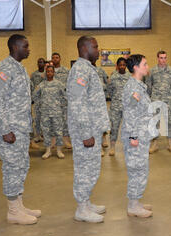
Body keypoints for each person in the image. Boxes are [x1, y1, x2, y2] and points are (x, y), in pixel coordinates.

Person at [0, 34, 41, 225]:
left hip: (20, 129)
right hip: (10, 130)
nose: (29, 49)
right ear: (15, 47)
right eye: (25, 46)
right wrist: (4, 130)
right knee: (12, 167)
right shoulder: (3, 69)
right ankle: (13, 211)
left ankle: (19, 205)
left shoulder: (19, 68)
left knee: (22, 166)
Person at [67, 36, 110, 223]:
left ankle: (86, 202)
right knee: (85, 168)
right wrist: (86, 133)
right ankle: (81, 209)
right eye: (95, 46)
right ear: (84, 48)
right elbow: (77, 104)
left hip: (92, 129)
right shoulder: (80, 71)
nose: (98, 50)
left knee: (91, 168)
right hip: (86, 132)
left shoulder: (88, 69)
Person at [122, 54, 155, 218]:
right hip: (135, 136)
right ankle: (133, 206)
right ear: (135, 67)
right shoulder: (133, 87)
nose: (147, 66)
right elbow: (130, 113)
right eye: (145, 63)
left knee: (141, 169)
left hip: (142, 135)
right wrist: (133, 137)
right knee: (137, 169)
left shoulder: (140, 85)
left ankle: (136, 201)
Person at [146, 50, 171, 153]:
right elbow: (148, 86)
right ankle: (154, 144)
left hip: (167, 100)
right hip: (155, 99)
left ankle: (170, 143)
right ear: (157, 58)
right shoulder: (152, 71)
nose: (163, 60)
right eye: (161, 58)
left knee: (169, 122)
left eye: (165, 58)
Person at [33, 65, 66, 159]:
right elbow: (35, 96)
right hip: (45, 113)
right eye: (47, 71)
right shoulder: (41, 85)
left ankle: (59, 150)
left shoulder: (59, 84)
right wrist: (41, 104)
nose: (49, 73)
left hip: (56, 112)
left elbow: (65, 96)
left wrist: (60, 105)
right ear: (45, 73)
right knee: (46, 132)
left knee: (58, 132)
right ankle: (48, 151)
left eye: (51, 71)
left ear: (54, 73)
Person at [108, 57, 130, 156]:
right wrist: (115, 99)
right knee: (114, 127)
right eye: (120, 65)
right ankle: (112, 147)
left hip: (127, 107)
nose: (122, 67)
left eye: (124, 65)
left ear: (126, 66)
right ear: (117, 66)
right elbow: (110, 90)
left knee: (128, 128)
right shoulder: (113, 77)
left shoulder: (130, 77)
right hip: (115, 107)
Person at [51, 52, 72, 149]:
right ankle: (54, 141)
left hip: (64, 100)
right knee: (53, 121)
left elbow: (70, 84)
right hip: (53, 101)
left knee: (65, 121)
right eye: (53, 58)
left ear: (60, 59)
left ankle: (66, 140)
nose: (55, 59)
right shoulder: (49, 71)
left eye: (57, 57)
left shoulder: (66, 71)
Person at [30, 58, 46, 143]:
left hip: (45, 99)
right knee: (37, 118)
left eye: (41, 62)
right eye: (38, 62)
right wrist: (32, 98)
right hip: (37, 99)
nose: (40, 64)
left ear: (44, 63)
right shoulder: (34, 74)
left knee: (45, 118)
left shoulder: (47, 74)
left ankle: (45, 134)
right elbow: (31, 87)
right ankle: (37, 135)